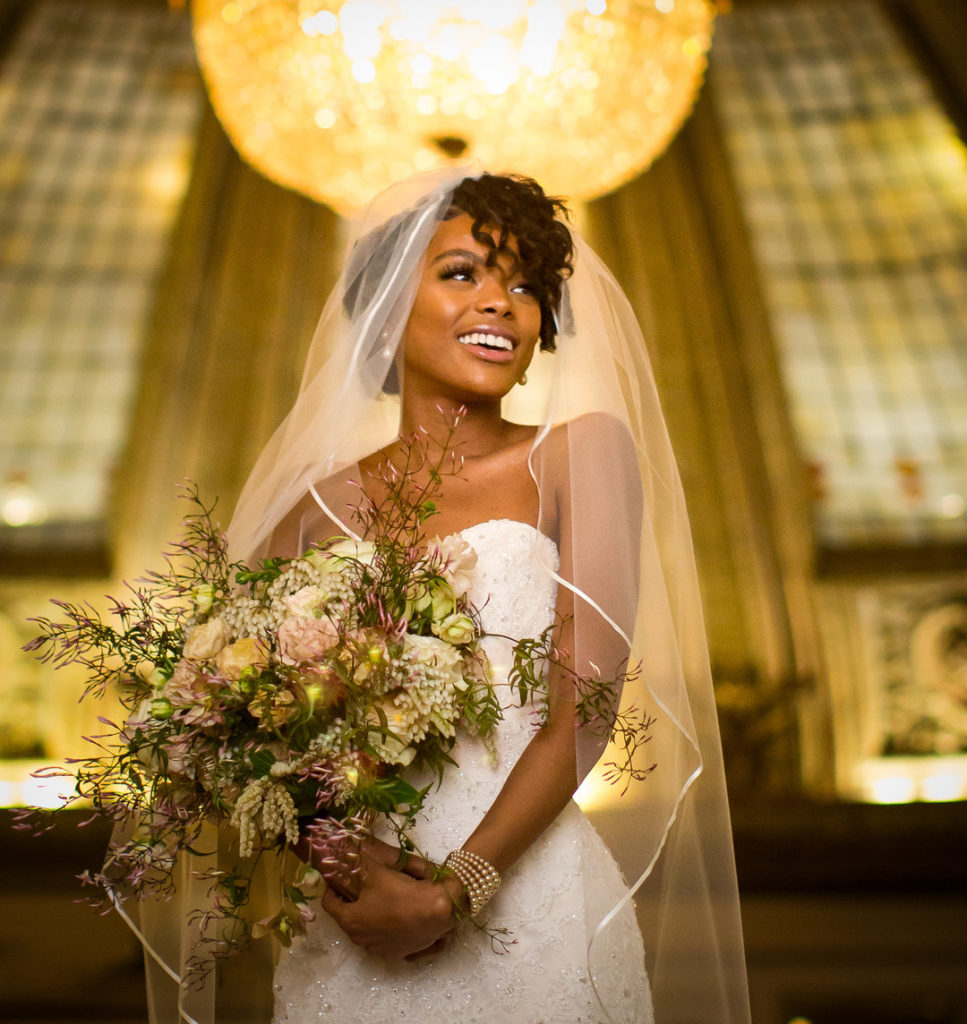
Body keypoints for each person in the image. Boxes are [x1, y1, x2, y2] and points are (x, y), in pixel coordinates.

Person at [162, 168, 749, 1024]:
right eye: (463, 273)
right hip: (356, 922)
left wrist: (456, 891)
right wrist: (345, 867)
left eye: (524, 287)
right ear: (390, 306)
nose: (501, 304)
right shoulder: (312, 507)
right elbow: (230, 725)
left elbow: (584, 708)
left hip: (533, 912)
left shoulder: (576, 453)